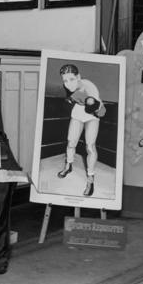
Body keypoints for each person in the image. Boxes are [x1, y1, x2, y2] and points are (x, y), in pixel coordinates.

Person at [56, 63, 105, 197]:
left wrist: (84, 99)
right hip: (78, 114)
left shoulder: (89, 87)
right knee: (71, 142)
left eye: (71, 79)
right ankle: (68, 165)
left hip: (92, 115)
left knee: (90, 146)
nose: (68, 84)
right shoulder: (69, 87)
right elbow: (71, 99)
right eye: (65, 80)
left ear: (78, 76)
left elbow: (94, 108)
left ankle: (90, 178)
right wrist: (73, 99)